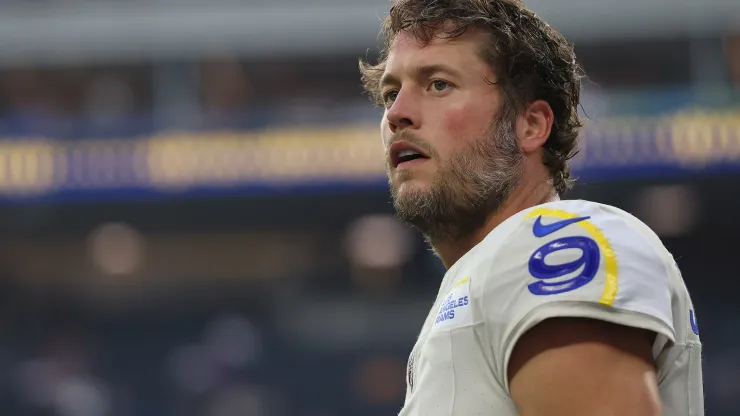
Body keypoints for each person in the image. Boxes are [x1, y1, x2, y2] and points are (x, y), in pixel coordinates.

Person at [358, 0, 704, 415]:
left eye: (438, 84)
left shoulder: (555, 242)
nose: (396, 114)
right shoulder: (484, 276)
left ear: (531, 125)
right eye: (391, 93)